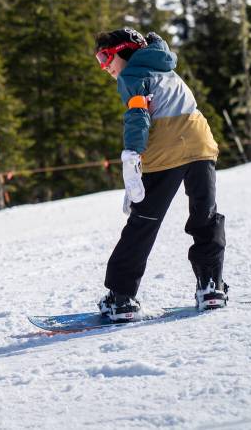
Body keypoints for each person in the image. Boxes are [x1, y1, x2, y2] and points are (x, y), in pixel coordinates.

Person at [93, 28, 227, 321]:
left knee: (144, 222)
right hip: (201, 143)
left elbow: (137, 115)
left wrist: (131, 155)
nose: (104, 67)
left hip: (166, 149)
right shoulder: (165, 68)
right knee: (205, 216)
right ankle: (211, 287)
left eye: (105, 57)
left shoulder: (132, 76)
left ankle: (121, 298)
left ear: (125, 51)